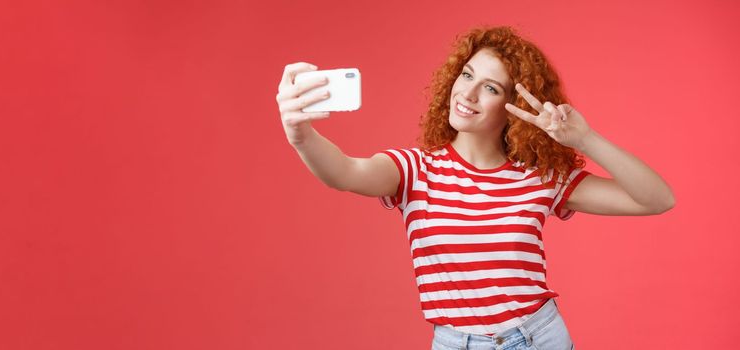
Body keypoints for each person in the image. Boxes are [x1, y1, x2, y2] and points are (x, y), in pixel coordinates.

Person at [274, 26, 674, 350]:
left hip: (539, 338)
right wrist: (300, 134)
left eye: (491, 87)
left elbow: (656, 199)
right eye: (467, 75)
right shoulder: (415, 170)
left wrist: (585, 139)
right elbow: (343, 172)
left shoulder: (537, 177)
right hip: (454, 343)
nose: (467, 93)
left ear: (513, 108)